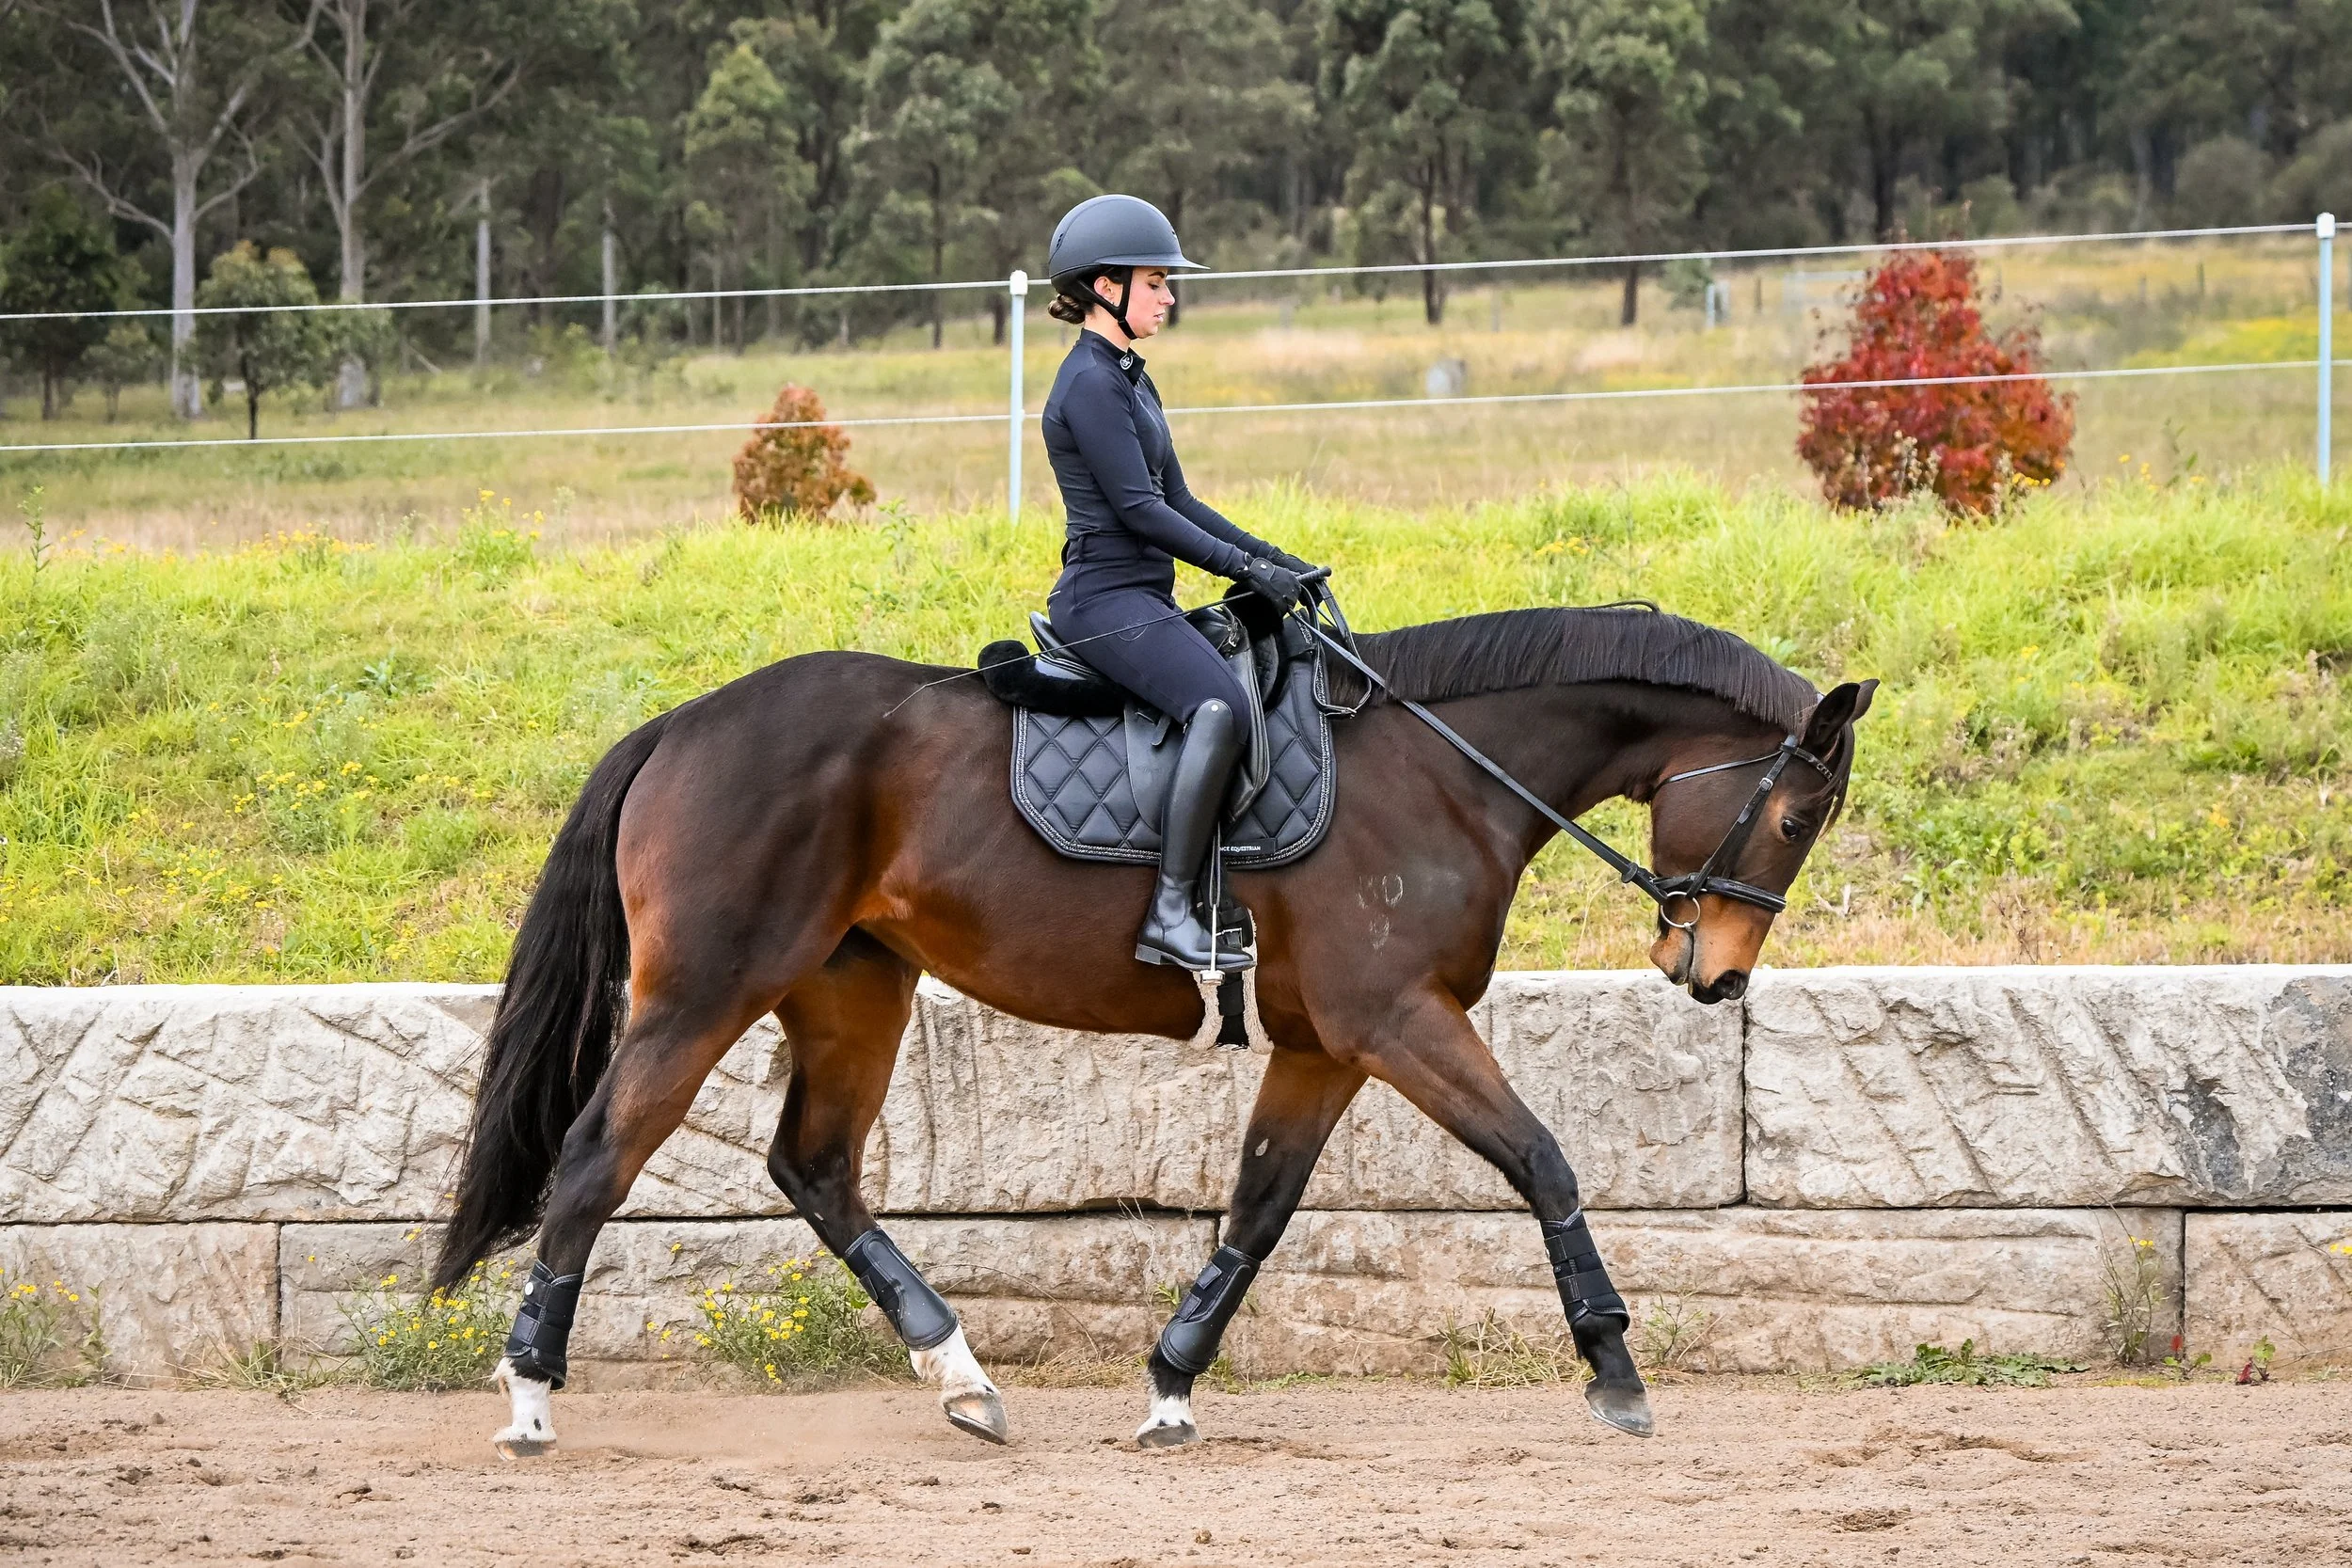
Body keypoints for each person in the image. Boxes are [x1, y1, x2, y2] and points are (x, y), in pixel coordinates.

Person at [1041, 194, 1321, 974]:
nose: (1170, 296)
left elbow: (1183, 501)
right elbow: (1139, 512)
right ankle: (1170, 912)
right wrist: (1243, 571)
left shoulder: (1130, 376)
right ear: (1106, 287)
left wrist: (1278, 561)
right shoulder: (1090, 385)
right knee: (1217, 704)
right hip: (1103, 600)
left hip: (1143, 595)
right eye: (1157, 281)